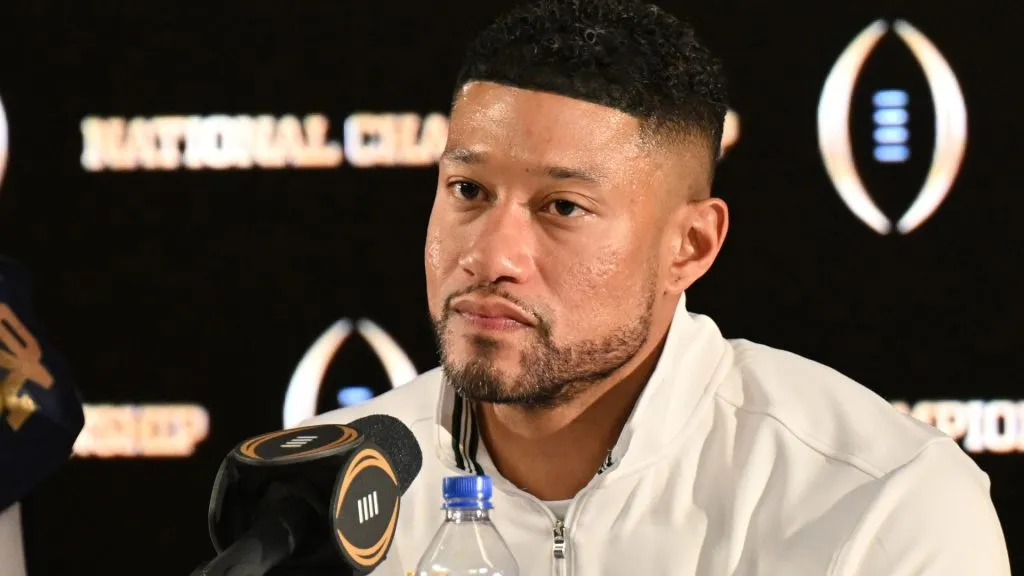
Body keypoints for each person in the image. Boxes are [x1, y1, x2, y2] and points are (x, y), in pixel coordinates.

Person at [304, 0, 1011, 573]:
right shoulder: (311, 499)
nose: (490, 255)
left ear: (690, 246)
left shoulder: (883, 503)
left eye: (562, 207)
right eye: (468, 189)